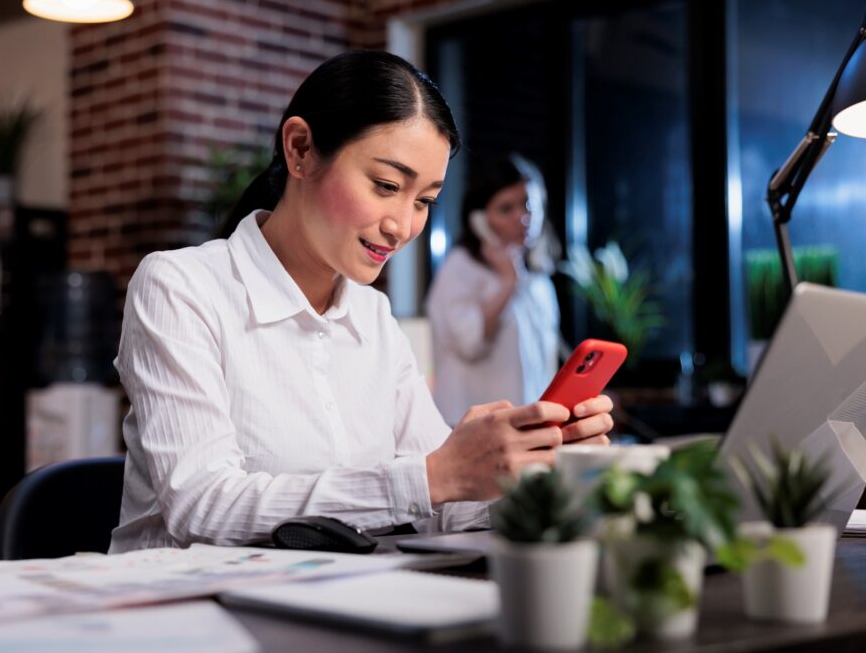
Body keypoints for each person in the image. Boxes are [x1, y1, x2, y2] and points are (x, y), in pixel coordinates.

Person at [110, 51, 613, 552]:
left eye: (423, 201)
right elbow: (202, 507)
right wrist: (432, 478)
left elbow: (445, 502)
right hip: (187, 612)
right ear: (300, 149)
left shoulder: (372, 315)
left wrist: (535, 467)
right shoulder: (180, 287)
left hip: (325, 601)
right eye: (386, 185)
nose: (402, 225)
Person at [426, 155, 563, 425]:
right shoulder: (460, 268)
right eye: (505, 208)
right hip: (472, 429)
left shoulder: (537, 278)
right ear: (479, 219)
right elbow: (470, 343)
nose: (522, 217)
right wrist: (506, 285)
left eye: (528, 204)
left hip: (528, 427)